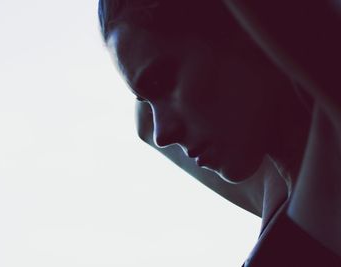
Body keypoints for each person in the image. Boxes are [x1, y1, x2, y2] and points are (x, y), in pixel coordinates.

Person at [98, 1, 341, 265]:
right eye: (146, 100)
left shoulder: (331, 147)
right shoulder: (277, 185)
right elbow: (143, 125)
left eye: (161, 81)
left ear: (244, 28)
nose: (162, 135)